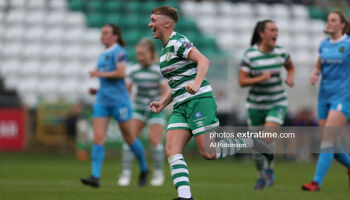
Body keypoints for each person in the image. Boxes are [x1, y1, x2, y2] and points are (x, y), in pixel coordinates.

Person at [148, 6, 272, 200]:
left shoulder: (178, 42)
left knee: (208, 152)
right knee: (171, 149)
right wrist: (163, 103)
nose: (150, 24)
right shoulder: (164, 52)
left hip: (198, 100)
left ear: (167, 23)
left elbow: (203, 61)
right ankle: (185, 196)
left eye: (154, 20)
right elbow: (177, 84)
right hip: (181, 105)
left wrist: (197, 84)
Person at [80, 24, 149, 188]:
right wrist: (97, 90)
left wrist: (99, 74)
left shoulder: (119, 52)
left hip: (119, 101)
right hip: (102, 101)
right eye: (101, 32)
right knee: (98, 138)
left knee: (129, 138)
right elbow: (109, 80)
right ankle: (95, 176)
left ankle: (144, 167)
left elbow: (121, 73)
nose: (102, 35)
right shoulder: (102, 54)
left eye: (105, 33)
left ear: (115, 36)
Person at [239, 19, 295, 190]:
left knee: (267, 138)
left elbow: (290, 67)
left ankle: (270, 168)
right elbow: (242, 81)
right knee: (258, 147)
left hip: (277, 101)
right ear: (261, 34)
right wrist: (260, 78)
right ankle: (261, 176)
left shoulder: (281, 52)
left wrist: (290, 78)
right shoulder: (250, 55)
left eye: (277, 30)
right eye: (272, 30)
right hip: (255, 105)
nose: (275, 33)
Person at [302, 11, 350, 191]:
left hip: (343, 96)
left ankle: (316, 182)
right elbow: (318, 64)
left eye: (333, 20)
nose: (328, 23)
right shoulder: (324, 44)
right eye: (328, 20)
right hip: (324, 96)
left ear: (342, 24)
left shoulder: (348, 44)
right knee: (330, 142)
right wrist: (315, 73)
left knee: (328, 140)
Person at [118, 38, 169, 186]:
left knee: (155, 141)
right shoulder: (133, 70)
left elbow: (165, 91)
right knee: (130, 139)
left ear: (151, 53)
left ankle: (158, 173)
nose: (140, 57)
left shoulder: (158, 70)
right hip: (138, 108)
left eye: (142, 54)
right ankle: (126, 173)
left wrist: (160, 105)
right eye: (138, 54)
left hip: (156, 109)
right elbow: (126, 91)